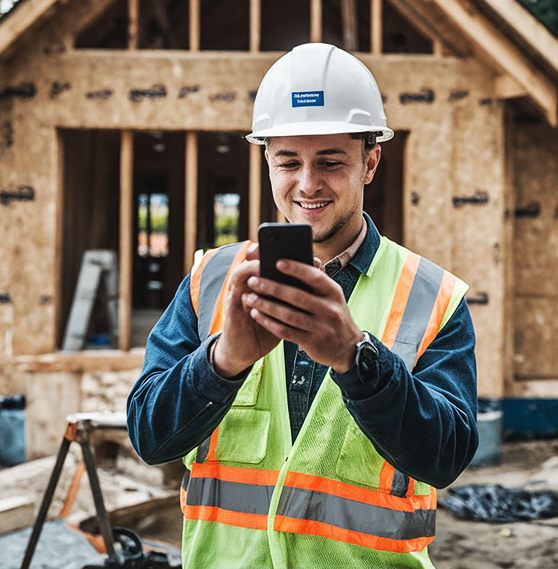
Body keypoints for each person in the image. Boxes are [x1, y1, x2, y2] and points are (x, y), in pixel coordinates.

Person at [127, 43, 478, 567]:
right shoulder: (211, 281)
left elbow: (444, 458)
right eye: (288, 161)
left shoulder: (432, 297)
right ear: (267, 161)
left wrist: (356, 357)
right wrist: (224, 360)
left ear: (370, 163)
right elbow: (150, 437)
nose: (307, 184)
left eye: (331, 162)